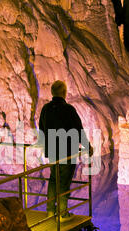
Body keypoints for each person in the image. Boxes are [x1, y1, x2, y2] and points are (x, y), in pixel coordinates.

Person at [39, 80, 93, 221]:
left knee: (53, 179)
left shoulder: (45, 109)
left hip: (52, 152)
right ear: (64, 92)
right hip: (68, 152)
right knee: (64, 181)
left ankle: (50, 210)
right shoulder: (68, 110)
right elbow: (79, 130)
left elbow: (42, 130)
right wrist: (88, 147)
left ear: (52, 93)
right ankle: (62, 213)